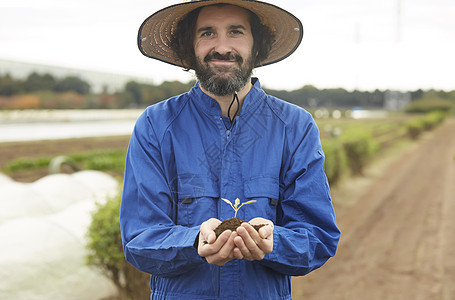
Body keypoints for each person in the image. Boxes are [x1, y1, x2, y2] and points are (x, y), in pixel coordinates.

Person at [120, 1, 340, 299]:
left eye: (236, 32)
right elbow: (139, 238)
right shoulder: (156, 125)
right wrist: (194, 240)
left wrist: (275, 241)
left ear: (256, 44)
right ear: (190, 45)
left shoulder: (294, 126)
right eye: (207, 33)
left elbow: (318, 237)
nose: (222, 47)